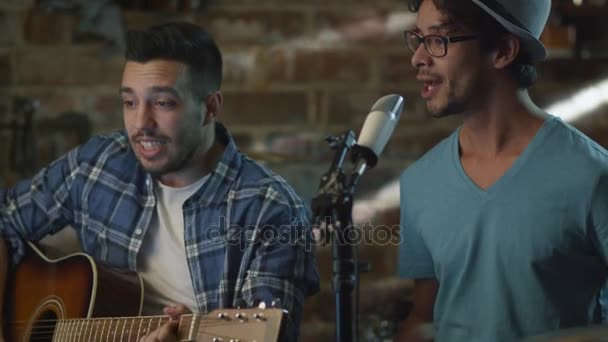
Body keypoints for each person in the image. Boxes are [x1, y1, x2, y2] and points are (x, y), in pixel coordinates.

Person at [0, 22, 319, 341]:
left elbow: (266, 332)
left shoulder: (272, 210)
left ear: (210, 108)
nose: (141, 124)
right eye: (130, 102)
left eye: (163, 103)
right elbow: (7, 218)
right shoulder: (98, 164)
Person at [396, 0, 608, 341]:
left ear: (503, 51)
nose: (418, 58)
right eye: (418, 38)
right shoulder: (420, 181)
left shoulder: (592, 176)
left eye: (438, 40)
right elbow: (424, 318)